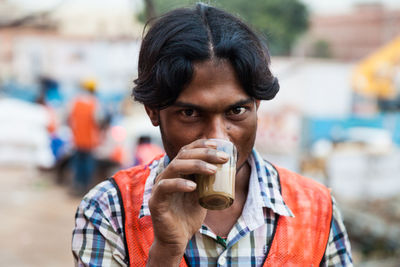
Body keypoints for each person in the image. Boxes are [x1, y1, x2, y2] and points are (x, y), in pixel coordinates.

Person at [72, 3, 353, 266]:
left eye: (237, 111)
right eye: (191, 114)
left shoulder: (317, 209)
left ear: (257, 105)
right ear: (153, 112)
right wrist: (166, 252)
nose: (218, 138)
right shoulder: (108, 210)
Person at [68, 79, 101, 195]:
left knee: (78, 165)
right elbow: (98, 120)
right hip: (89, 141)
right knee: (87, 166)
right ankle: (86, 189)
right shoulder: (94, 103)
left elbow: (69, 119)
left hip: (77, 140)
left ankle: (77, 186)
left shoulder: (75, 102)